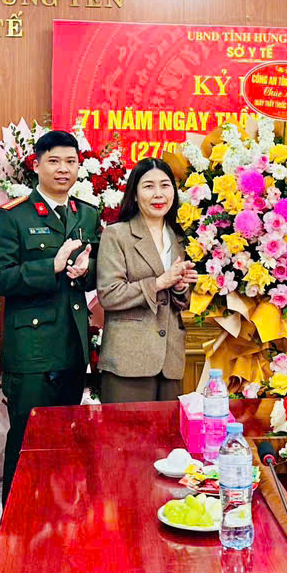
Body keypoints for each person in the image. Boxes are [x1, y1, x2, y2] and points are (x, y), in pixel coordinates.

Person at [0, 130, 100, 505]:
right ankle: (17, 527)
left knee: (66, 442)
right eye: (53, 161)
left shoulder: (86, 213)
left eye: (70, 161)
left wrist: (85, 271)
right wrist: (50, 267)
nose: (63, 169)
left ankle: (59, 521)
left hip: (72, 348)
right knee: (28, 445)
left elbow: (97, 273)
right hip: (32, 352)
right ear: (36, 166)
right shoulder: (13, 216)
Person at [95, 158, 198, 403]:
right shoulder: (117, 234)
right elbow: (109, 294)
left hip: (170, 359)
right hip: (128, 360)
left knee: (168, 428)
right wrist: (160, 282)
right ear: (134, 193)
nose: (158, 194)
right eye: (149, 186)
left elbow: (181, 302)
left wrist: (180, 288)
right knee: (126, 428)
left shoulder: (181, 239)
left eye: (165, 185)